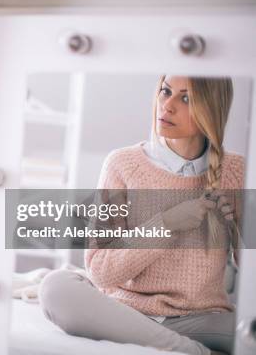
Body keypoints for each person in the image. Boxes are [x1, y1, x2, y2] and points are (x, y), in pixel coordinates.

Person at [39, 76, 243, 355]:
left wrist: (239, 231)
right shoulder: (123, 164)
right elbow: (100, 271)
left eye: (186, 98)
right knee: (56, 288)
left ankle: (171, 344)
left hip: (204, 319)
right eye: (165, 91)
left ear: (211, 109)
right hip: (127, 315)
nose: (167, 105)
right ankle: (192, 351)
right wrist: (166, 224)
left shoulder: (236, 171)